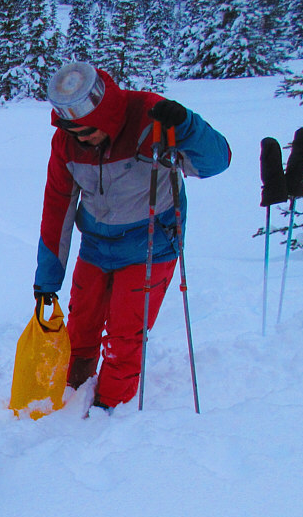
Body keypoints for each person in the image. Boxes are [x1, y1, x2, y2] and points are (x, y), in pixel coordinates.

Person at [33, 61, 231, 411]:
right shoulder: (66, 142)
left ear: (104, 116)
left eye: (87, 132)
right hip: (96, 245)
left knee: (125, 336)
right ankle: (71, 394)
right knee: (81, 327)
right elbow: (57, 205)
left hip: (151, 245)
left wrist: (187, 126)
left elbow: (216, 162)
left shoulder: (150, 119)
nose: (81, 139)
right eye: (73, 132)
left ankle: (107, 408)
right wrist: (48, 277)